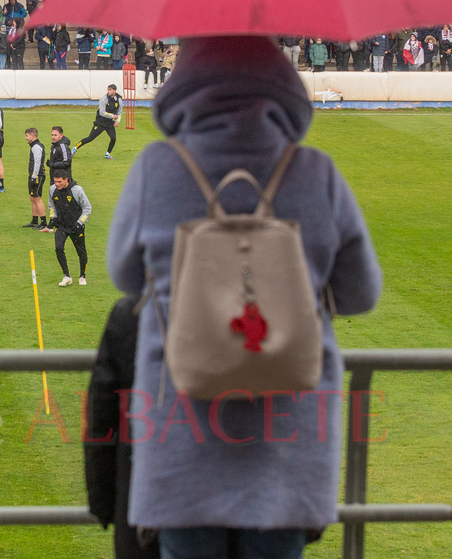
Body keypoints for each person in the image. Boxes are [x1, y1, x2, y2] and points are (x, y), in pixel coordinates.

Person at [106, 35, 380, 559]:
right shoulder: (315, 171)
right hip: (288, 431)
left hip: (181, 425)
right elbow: (360, 292)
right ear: (282, 86)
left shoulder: (157, 168)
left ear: (184, 83)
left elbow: (126, 277)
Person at [84, 294, 160, 559]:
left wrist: (104, 504)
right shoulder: (275, 309)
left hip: (150, 508)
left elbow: (102, 417)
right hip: (264, 510)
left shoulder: (135, 313)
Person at [50, 169, 91, 286]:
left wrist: (80, 222)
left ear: (66, 180)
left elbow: (87, 208)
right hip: (62, 226)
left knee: (81, 252)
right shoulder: (52, 190)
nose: (56, 184)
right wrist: (53, 217)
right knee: (58, 248)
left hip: (76, 226)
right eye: (55, 181)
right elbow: (51, 204)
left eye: (59, 182)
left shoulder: (77, 190)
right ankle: (67, 276)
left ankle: (82, 276)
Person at [76, 84, 122, 160]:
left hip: (109, 123)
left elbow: (119, 112)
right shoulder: (103, 99)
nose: (108, 91)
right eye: (108, 90)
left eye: (110, 90)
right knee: (90, 138)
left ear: (115, 90)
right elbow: (102, 113)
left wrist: (117, 121)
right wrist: (112, 116)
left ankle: (107, 154)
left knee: (113, 138)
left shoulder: (119, 99)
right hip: (100, 122)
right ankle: (75, 148)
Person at [23, 127, 47, 229]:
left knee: (37, 198)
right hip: (34, 175)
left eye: (27, 136)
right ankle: (34, 221)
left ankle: (43, 223)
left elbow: (37, 162)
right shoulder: (35, 146)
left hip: (37, 176)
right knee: (32, 198)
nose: (25, 138)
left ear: (33, 136)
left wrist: (33, 177)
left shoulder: (36, 147)